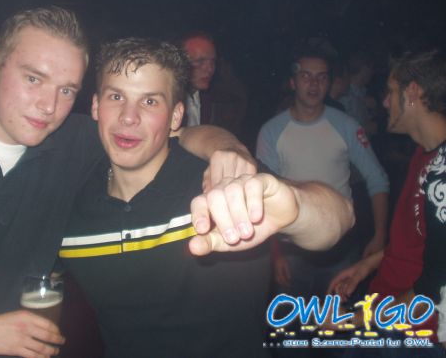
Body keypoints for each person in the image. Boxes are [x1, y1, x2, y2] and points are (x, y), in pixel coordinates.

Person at [0, 6, 277, 358]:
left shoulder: (75, 142)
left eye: (67, 90)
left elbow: (169, 131)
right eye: (33, 78)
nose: (48, 105)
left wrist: (227, 150)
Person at [59, 38, 354, 358]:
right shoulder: (70, 205)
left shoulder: (221, 181)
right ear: (95, 106)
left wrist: (296, 208)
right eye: (116, 97)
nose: (129, 117)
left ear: (176, 116)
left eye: (150, 101)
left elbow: (340, 217)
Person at [328, 49, 446, 350]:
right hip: (388, 315)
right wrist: (366, 265)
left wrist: (352, 320)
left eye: (390, 92)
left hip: (416, 334)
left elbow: (434, 289)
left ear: (412, 92)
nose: (384, 102)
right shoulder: (423, 154)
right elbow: (418, 241)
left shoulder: (443, 172)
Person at [255, 49, 389, 303]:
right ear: (293, 82)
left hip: (341, 249)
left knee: (336, 324)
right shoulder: (271, 131)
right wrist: (275, 254)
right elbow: (264, 195)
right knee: (290, 324)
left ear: (329, 83)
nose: (314, 84)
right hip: (291, 249)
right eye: (306, 76)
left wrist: (380, 234)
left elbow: (377, 178)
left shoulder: (346, 125)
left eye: (322, 77)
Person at [181, 32, 247, 137]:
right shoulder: (169, 102)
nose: (210, 69)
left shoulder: (209, 102)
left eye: (212, 62)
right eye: (200, 61)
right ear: (180, 62)